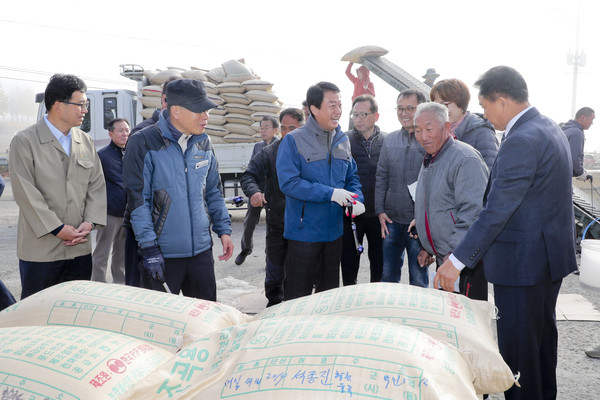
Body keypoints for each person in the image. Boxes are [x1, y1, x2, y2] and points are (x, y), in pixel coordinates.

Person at [435, 66, 577, 400]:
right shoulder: (548, 128)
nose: (484, 114)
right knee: (540, 341)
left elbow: (497, 210)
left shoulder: (521, 140)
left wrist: (456, 261)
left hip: (522, 262)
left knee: (518, 349)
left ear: (501, 101)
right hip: (545, 256)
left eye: (484, 106)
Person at [123, 79, 233, 300]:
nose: (206, 116)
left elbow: (213, 191)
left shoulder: (203, 143)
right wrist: (149, 248)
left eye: (207, 110)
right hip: (162, 256)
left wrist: (224, 230)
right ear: (175, 111)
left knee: (203, 320)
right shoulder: (143, 142)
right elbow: (138, 201)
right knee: (160, 324)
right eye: (199, 110)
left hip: (201, 254)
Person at [9, 73, 106, 299]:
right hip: (42, 251)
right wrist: (57, 229)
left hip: (79, 248)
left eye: (86, 104)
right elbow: (25, 193)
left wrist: (89, 223)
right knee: (37, 317)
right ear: (58, 106)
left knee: (75, 313)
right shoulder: (25, 141)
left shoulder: (85, 141)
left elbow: (96, 186)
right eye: (80, 104)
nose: (85, 110)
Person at [277, 81, 364, 300]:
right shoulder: (294, 140)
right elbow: (289, 183)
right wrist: (330, 193)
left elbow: (352, 176)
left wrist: (357, 199)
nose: (339, 111)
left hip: (334, 233)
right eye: (332, 105)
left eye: (340, 105)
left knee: (328, 297)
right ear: (314, 109)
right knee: (298, 296)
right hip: (304, 233)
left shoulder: (343, 140)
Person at [413, 102, 489, 300]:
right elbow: (434, 206)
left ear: (447, 127)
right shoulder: (431, 158)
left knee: (466, 321)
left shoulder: (465, 158)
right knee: (447, 321)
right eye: (418, 130)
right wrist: (426, 246)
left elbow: (473, 213)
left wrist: (456, 255)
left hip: (462, 262)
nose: (423, 136)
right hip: (444, 259)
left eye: (429, 129)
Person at [240, 108, 305, 306]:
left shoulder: (311, 151)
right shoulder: (270, 153)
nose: (287, 133)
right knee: (275, 271)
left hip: (305, 225)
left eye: (292, 128)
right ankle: (274, 305)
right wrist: (254, 192)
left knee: (302, 273)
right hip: (278, 223)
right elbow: (248, 175)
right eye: (284, 128)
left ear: (302, 127)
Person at [124, 77, 177, 287]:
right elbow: (135, 191)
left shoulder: (191, 136)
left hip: (172, 233)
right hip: (145, 229)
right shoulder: (141, 135)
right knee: (142, 289)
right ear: (164, 101)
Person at [374, 89, 428, 287]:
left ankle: (418, 319)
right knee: (388, 276)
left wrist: (424, 215)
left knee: (419, 278)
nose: (404, 113)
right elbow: (382, 176)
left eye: (409, 109)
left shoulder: (429, 140)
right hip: (391, 220)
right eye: (400, 108)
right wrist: (380, 210)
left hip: (418, 222)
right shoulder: (390, 139)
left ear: (421, 109)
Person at [341, 94, 385, 285]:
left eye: (363, 114)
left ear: (376, 116)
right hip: (352, 212)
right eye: (355, 115)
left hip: (379, 213)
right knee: (349, 261)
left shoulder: (387, 141)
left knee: (380, 261)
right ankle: (350, 300)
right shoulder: (343, 140)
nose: (358, 119)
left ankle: (377, 302)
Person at [234, 116, 279, 265]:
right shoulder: (257, 147)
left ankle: (269, 257)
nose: (263, 130)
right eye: (261, 127)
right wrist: (255, 191)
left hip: (273, 193)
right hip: (257, 191)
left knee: (271, 227)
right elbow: (253, 169)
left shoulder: (280, 145)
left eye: (266, 127)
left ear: (275, 130)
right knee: (249, 222)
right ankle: (245, 249)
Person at [430, 78, 499, 170]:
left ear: (460, 102)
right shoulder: (438, 131)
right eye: (436, 106)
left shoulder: (482, 132)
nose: (440, 111)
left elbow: (489, 172)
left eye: (444, 105)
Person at [91, 118, 130, 284]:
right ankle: (98, 287)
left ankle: (120, 286)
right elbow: (93, 185)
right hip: (109, 214)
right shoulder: (102, 156)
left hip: (127, 214)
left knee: (121, 255)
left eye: (127, 130)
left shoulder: (131, 153)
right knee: (101, 254)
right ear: (110, 133)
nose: (124, 134)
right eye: (120, 130)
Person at [562, 107, 595, 181]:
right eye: (591, 119)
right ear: (583, 117)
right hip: (563, 178)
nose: (592, 123)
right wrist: (581, 173)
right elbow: (574, 158)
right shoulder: (576, 133)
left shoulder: (566, 130)